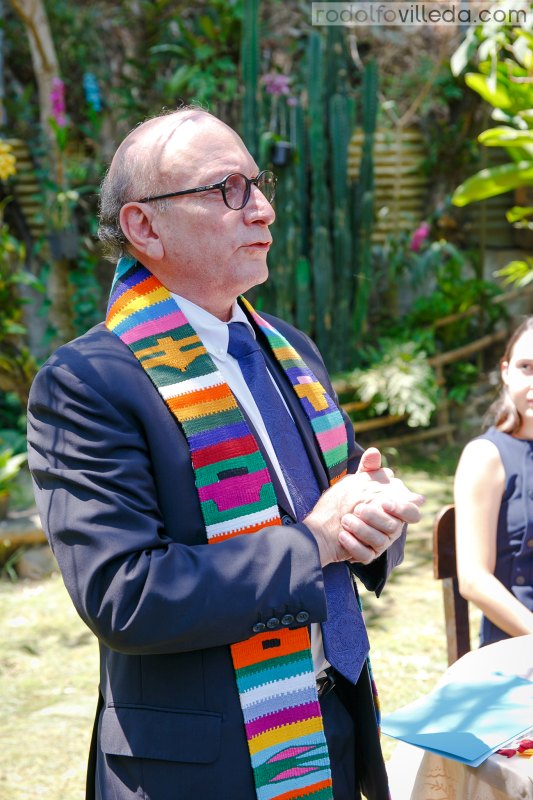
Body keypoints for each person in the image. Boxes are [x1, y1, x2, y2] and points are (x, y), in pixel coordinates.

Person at [27, 107, 424, 800]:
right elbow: (125, 594)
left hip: (332, 724)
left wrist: (373, 512)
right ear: (143, 226)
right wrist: (316, 541)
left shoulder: (289, 350)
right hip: (202, 766)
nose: (262, 209)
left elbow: (338, 492)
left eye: (257, 185)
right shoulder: (89, 382)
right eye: (226, 190)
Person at [454, 317, 533, 646]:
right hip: (517, 646)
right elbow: (473, 580)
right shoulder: (485, 456)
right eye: (526, 367)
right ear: (506, 372)